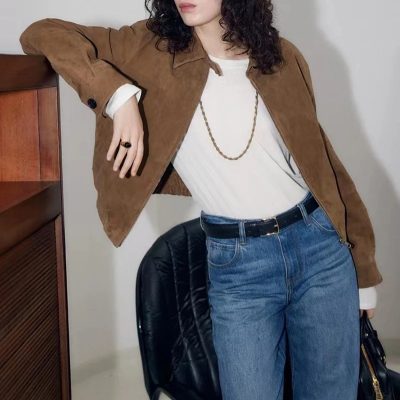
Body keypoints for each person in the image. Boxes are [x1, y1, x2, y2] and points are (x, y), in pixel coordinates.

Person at [19, 1, 383, 398]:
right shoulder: (149, 49)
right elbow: (41, 33)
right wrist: (118, 98)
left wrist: (364, 274)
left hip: (320, 252)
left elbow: (327, 170)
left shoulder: (281, 56)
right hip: (240, 268)